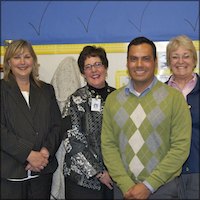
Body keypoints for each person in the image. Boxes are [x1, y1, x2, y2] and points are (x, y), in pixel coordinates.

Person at [101, 36, 192, 199]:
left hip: (163, 190)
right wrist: (126, 185)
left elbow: (180, 147)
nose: (139, 64)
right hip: (124, 191)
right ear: (127, 62)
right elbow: (108, 146)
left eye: (146, 59)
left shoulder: (174, 98)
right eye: (134, 59)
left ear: (155, 62)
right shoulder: (112, 100)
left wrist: (148, 185)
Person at [1, 39, 62, 199]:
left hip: (42, 173)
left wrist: (44, 153)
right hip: (10, 175)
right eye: (16, 57)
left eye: (27, 57)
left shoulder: (46, 90)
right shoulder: (1, 90)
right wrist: (28, 154)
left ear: (33, 61)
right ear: (8, 62)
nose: (22, 62)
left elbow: (57, 126)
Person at [61, 45, 115, 199]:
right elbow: (72, 141)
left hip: (115, 177)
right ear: (83, 73)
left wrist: (116, 171)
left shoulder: (119, 97)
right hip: (82, 182)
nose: (94, 70)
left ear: (105, 67)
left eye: (98, 64)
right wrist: (99, 172)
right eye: (88, 67)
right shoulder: (75, 100)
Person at [166, 35, 199, 199]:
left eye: (186, 56)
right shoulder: (158, 94)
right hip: (166, 175)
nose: (181, 61)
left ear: (194, 59)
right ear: (169, 62)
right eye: (175, 56)